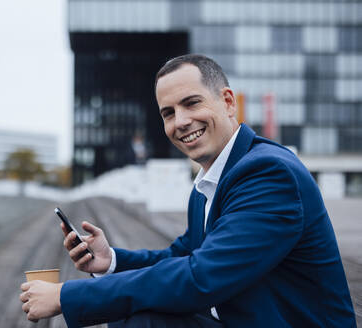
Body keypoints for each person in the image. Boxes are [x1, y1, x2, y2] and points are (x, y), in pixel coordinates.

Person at [20, 54, 356, 327]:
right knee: (136, 316)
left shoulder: (268, 173)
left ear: (227, 102)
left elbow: (201, 276)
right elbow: (180, 258)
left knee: (142, 322)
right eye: (169, 113)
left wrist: (66, 296)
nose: (180, 121)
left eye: (191, 103)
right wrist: (111, 262)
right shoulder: (209, 182)